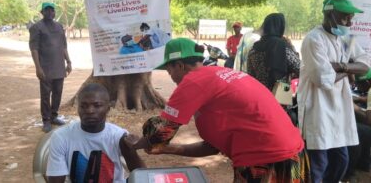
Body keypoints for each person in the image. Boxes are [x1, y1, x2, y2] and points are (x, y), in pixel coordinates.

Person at [128, 38, 310, 182]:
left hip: (263, 162)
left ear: (179, 65)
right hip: (294, 155)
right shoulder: (219, 75)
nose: (172, 78)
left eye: (169, 71)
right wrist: (168, 149)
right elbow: (214, 146)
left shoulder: (193, 81)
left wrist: (138, 142)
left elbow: (160, 133)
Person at [297, 0, 369, 183]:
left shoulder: (346, 39)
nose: (349, 23)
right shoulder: (314, 40)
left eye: (351, 17)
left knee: (341, 161)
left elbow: (365, 65)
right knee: (318, 165)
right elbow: (323, 79)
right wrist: (349, 69)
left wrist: (340, 66)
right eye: (345, 17)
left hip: (339, 109)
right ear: (330, 15)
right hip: (318, 109)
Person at [46, 83, 145, 183]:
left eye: (97, 105)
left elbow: (142, 174)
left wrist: (131, 151)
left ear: (108, 109)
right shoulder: (61, 137)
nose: (90, 111)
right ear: (78, 108)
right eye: (83, 106)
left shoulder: (118, 136)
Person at [29, 2, 72, 133]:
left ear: (55, 12)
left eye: (52, 10)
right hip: (45, 68)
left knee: (58, 93)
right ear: (42, 12)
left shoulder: (59, 27)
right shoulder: (37, 27)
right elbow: (34, 48)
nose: (49, 12)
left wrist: (68, 61)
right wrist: (38, 67)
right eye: (46, 10)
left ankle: (54, 116)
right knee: (46, 95)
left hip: (59, 66)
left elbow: (64, 46)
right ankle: (46, 120)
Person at [247, 13, 300, 91]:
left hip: (260, 94)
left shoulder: (254, 49)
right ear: (280, 27)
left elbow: (250, 75)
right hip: (280, 95)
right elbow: (299, 68)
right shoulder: (283, 47)